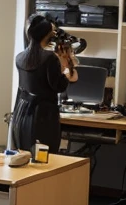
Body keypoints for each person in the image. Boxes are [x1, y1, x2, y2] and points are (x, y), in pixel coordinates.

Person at [11, 14, 79, 156]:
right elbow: (59, 86)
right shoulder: (49, 58)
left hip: (23, 116)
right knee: (45, 160)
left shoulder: (20, 58)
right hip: (44, 118)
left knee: (28, 160)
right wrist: (66, 70)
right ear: (47, 36)